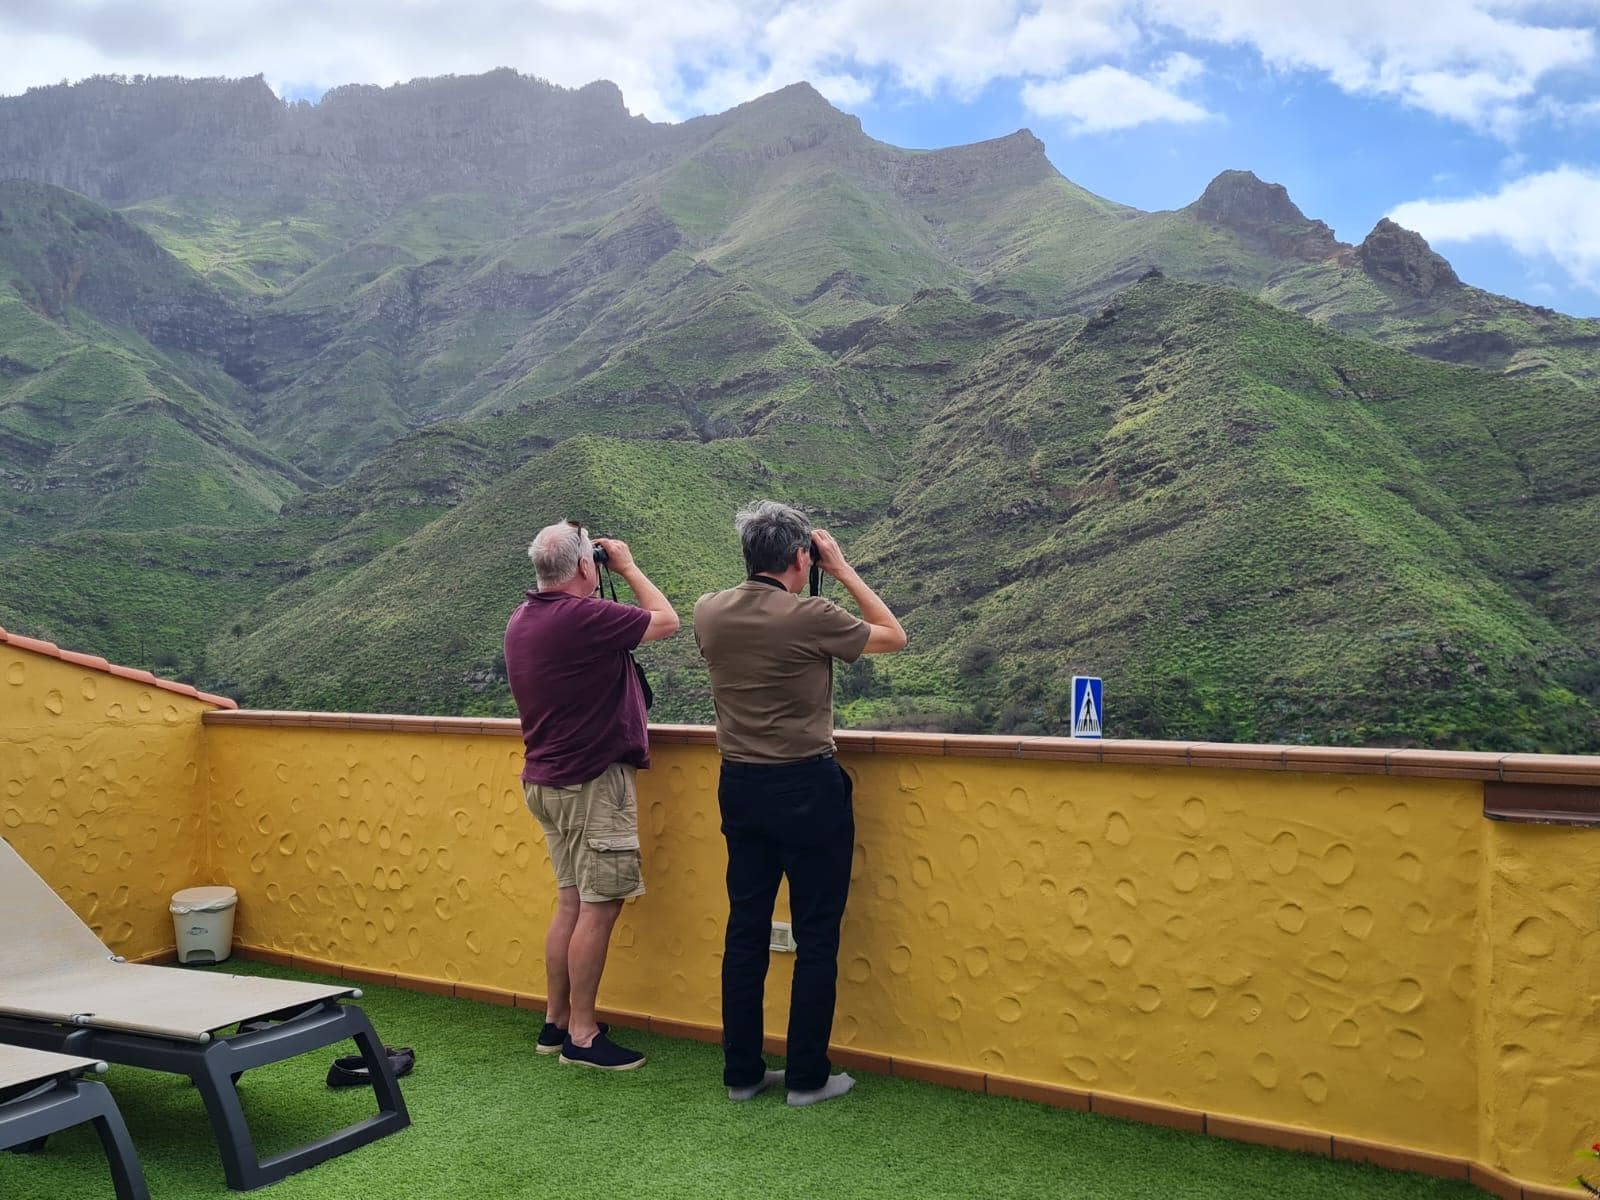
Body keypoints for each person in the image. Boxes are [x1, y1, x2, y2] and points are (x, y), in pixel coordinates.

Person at [693, 500, 906, 1106]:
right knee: (815, 932)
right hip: (807, 788)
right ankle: (808, 1076)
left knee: (745, 930)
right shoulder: (812, 615)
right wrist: (840, 570)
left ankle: (741, 1073)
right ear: (799, 558)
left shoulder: (710, 611)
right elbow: (894, 636)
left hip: (740, 785)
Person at [505, 520, 679, 1070]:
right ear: (586, 567)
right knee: (598, 910)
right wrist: (625, 566)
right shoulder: (582, 617)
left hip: (546, 779)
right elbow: (667, 620)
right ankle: (583, 1035)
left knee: (571, 904)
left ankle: (556, 1023)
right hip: (593, 783)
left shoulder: (524, 618)